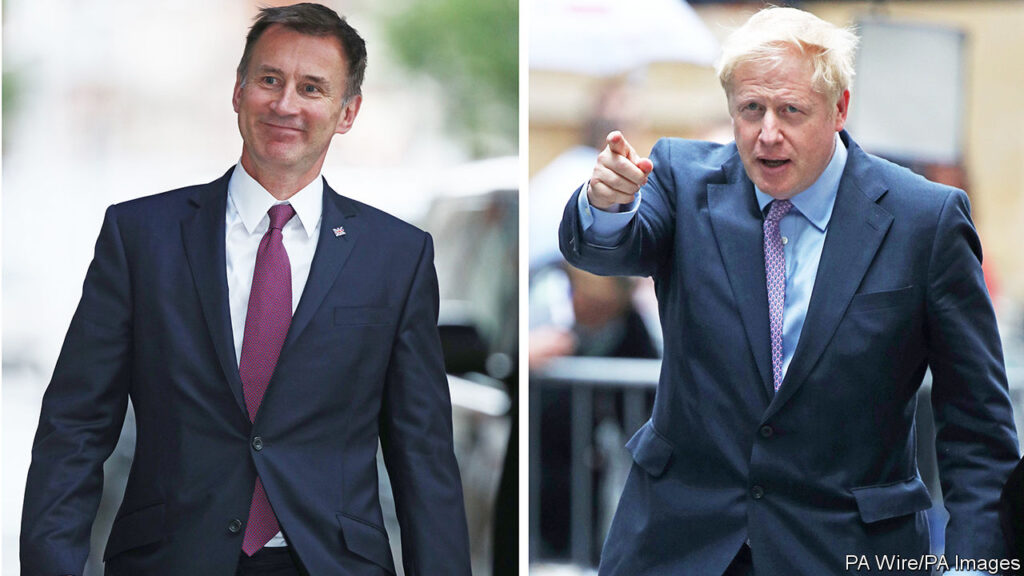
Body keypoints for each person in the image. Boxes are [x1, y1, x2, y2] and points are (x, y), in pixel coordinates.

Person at [559, 7, 1019, 575]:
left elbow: (979, 430)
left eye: (790, 111)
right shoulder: (680, 178)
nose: (767, 133)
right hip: (679, 547)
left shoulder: (926, 219)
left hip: (847, 552)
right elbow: (606, 246)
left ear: (839, 109)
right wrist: (605, 204)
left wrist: (980, 568)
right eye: (751, 109)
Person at [21, 4, 471, 575]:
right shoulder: (140, 236)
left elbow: (422, 456)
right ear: (237, 92)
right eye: (269, 80)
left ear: (347, 111)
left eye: (312, 88)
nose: (285, 105)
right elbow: (75, 426)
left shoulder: (398, 256)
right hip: (169, 560)